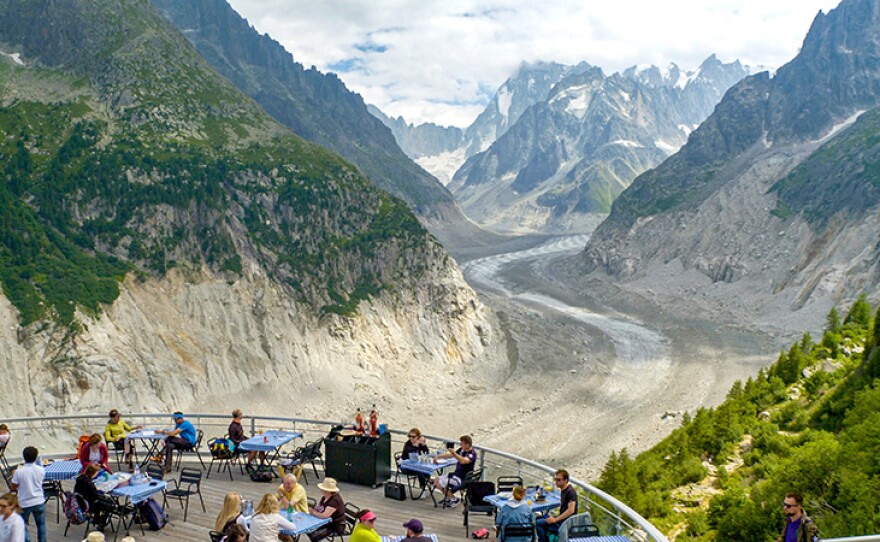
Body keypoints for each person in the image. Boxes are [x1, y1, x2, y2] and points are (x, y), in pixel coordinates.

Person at [10, 446, 45, 542]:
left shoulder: (19, 472)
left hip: (24, 502)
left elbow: (13, 487)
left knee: (22, 525)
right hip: (39, 500)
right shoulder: (41, 469)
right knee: (41, 525)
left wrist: (13, 475)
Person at [431, 435, 477, 507]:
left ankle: (453, 499)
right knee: (436, 480)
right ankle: (449, 497)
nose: (460, 445)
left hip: (462, 478)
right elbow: (450, 455)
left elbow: (463, 461)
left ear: (467, 444)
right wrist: (438, 456)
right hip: (455, 474)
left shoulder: (471, 454)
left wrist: (454, 453)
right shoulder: (462, 450)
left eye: (462, 444)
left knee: (439, 483)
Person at [536, 469, 578, 542]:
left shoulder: (570, 492)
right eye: (555, 479)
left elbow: (571, 510)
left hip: (565, 522)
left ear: (565, 480)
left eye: (559, 480)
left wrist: (555, 519)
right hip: (561, 519)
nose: (556, 482)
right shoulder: (563, 489)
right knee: (539, 518)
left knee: (537, 524)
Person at [74, 465, 116, 529]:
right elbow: (94, 495)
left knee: (103, 501)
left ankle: (97, 519)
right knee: (109, 505)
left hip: (80, 502)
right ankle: (100, 522)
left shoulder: (80, 479)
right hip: (88, 504)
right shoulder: (89, 482)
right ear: (93, 473)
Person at [308, 478, 346, 542]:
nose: (321, 490)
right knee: (308, 529)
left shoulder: (334, 501)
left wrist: (313, 512)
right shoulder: (325, 497)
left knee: (314, 535)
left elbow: (325, 516)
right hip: (326, 522)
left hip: (335, 526)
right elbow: (320, 508)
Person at [400, 428, 430, 495]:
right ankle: (424, 487)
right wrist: (416, 446)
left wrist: (423, 445)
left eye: (413, 437)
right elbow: (412, 455)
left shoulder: (419, 443)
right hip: (405, 466)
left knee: (425, 469)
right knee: (420, 470)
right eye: (409, 436)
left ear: (418, 437)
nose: (411, 438)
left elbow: (427, 453)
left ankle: (427, 482)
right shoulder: (408, 444)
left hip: (415, 465)